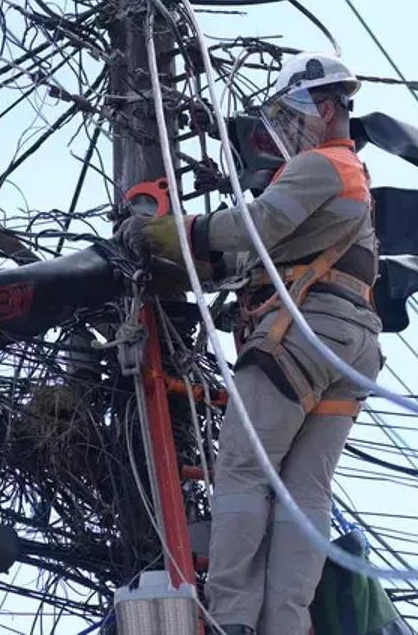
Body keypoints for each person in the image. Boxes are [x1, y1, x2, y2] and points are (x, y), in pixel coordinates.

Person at [118, 52, 383, 635]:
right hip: (350, 347)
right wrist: (203, 260)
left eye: (294, 113)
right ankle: (283, 625)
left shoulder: (323, 164)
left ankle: (233, 618)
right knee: (304, 490)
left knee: (241, 468)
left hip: (306, 336)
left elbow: (257, 225)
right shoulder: (350, 183)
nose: (287, 129)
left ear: (330, 105)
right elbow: (256, 255)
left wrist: (175, 232)